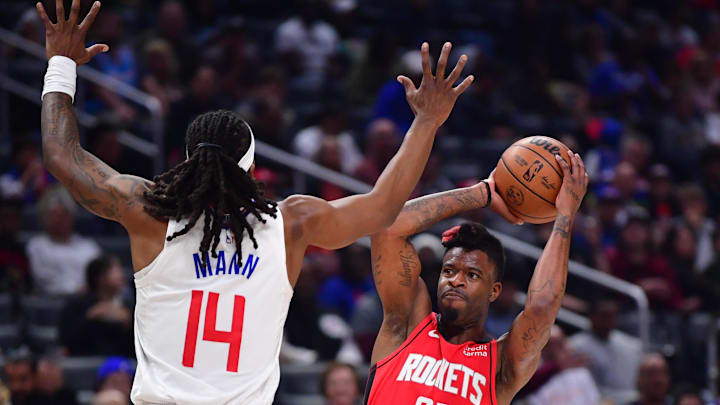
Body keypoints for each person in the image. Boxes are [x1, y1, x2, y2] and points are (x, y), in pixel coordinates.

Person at [35, 1, 475, 402]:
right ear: (250, 171)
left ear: (186, 163)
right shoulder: (290, 225)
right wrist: (427, 122)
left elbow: (62, 155)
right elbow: (382, 206)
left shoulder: (148, 212)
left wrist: (60, 64)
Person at [364, 150, 589, 404]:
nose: (455, 280)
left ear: (495, 291)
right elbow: (387, 228)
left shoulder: (500, 365)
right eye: (449, 271)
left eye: (472, 274)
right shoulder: (406, 327)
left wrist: (565, 215)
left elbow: (543, 307)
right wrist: (482, 194)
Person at [26, 185, 100, 296]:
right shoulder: (36, 246)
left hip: (86, 302)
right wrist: (76, 289)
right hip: (50, 304)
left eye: (64, 214)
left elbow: (97, 276)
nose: (59, 219)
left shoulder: (89, 247)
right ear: (44, 217)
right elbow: (43, 279)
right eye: (54, 214)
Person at [568, 297, 642, 404]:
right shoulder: (575, 346)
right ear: (592, 317)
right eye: (604, 316)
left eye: (612, 316)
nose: (609, 320)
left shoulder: (631, 345)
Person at [59, 254, 134, 357]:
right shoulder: (77, 304)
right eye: (114, 271)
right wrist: (90, 316)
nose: (121, 275)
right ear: (99, 277)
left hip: (120, 363)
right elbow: (67, 340)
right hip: (86, 359)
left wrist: (129, 323)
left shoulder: (129, 305)